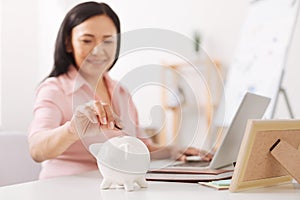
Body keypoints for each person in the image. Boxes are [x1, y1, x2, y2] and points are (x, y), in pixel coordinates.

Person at [28, 1, 211, 179]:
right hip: (65, 188)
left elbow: (139, 147)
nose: (98, 51)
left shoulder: (121, 92)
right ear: (68, 43)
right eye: (87, 40)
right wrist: (72, 130)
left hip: (114, 186)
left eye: (108, 41)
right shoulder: (54, 89)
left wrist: (173, 151)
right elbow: (37, 150)